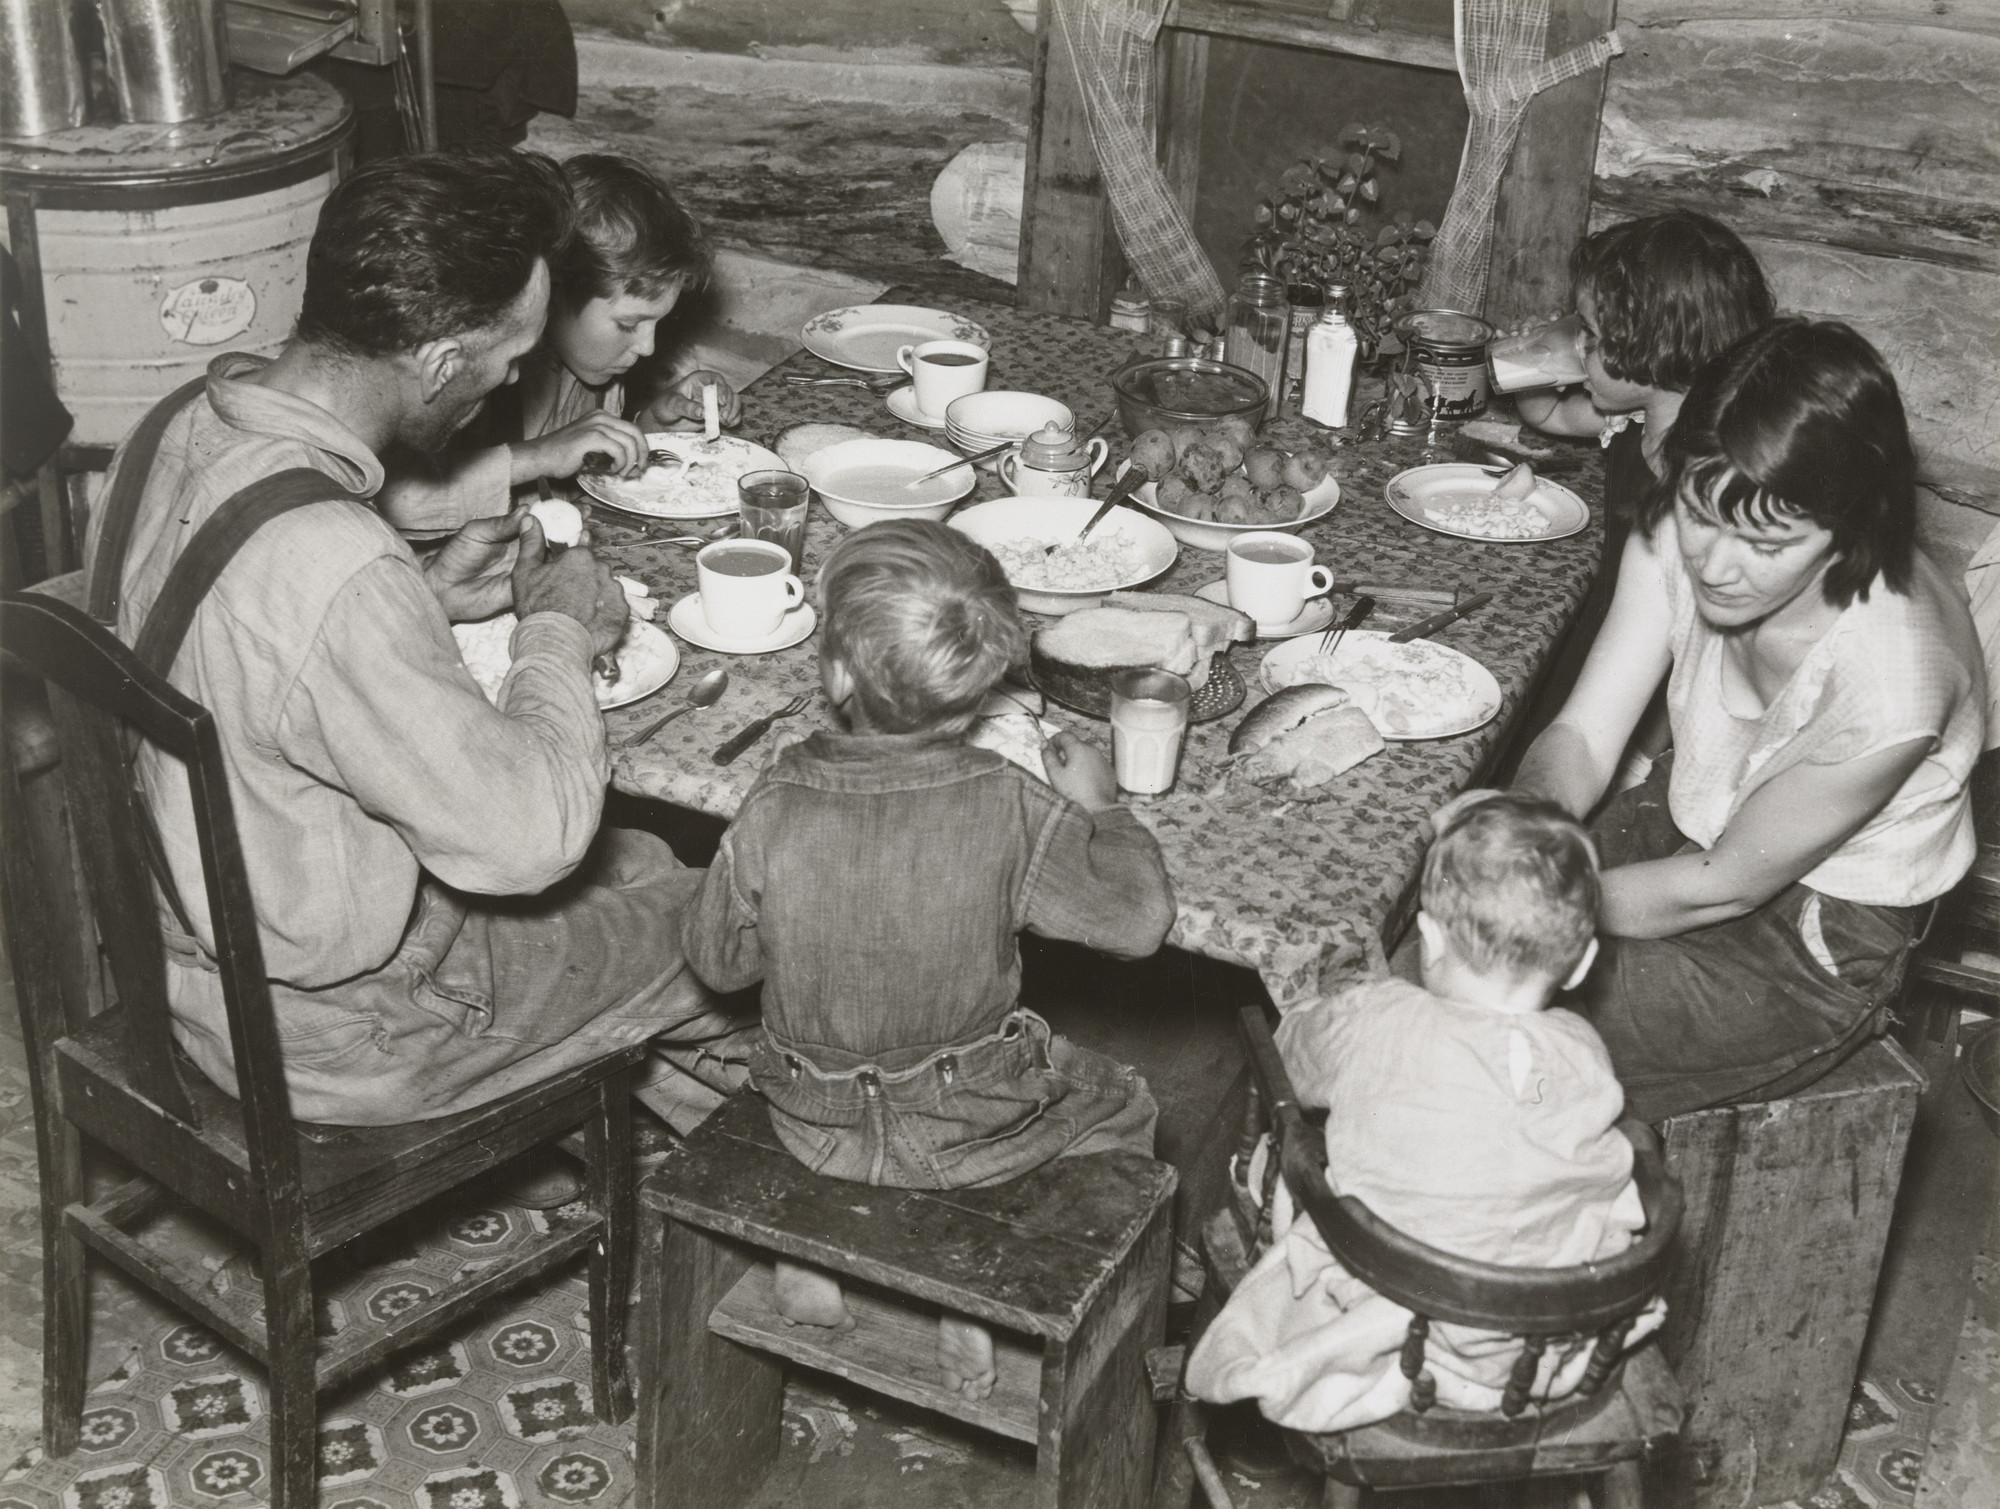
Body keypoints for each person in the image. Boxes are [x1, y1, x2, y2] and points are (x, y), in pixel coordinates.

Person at [84, 150, 748, 1136]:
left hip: (181, 952)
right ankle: (823, 1186)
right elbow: (532, 844)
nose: (515, 381)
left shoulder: (178, 424)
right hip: (338, 1034)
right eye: (509, 362)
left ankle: (703, 1175)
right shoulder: (337, 557)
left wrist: (426, 600)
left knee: (646, 863)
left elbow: (242, 654)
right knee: (758, 915)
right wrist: (556, 626)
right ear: (442, 364)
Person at [678, 519, 1176, 1398]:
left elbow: (718, 966)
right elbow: (1139, 926)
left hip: (811, 1114)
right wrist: (1104, 810)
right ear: (986, 686)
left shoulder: (776, 795)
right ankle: (971, 1281)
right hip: (970, 1119)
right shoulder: (1010, 801)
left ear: (834, 674)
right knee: (1127, 1106)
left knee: (710, 1056)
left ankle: (813, 1242)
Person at [1513, 319, 1987, 1121]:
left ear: (1850, 529)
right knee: (1441, 949)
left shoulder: (1895, 676)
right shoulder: (1688, 522)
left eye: (1769, 543)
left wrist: (1531, 907)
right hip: (1696, 815)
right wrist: (1514, 831)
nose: (1716, 565)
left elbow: (1724, 885)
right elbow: (1586, 736)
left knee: (1516, 1032)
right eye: (1703, 516)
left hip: (1818, 927)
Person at [1185, 792, 1656, 1432]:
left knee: (1292, 1145)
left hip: (1411, 1309)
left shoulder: (1385, 1017)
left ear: (1428, 939)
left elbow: (1291, 1059)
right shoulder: (1582, 1051)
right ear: (1582, 965)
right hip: (1543, 1332)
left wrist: (1315, 1016)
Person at [1506, 212, 1775, 766]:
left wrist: (1644, 755)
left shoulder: (1706, 478)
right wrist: (1534, 364)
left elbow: (1700, 651)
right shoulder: (1633, 417)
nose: (1578, 343)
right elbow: (1552, 415)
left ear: (1651, 349)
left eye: (1592, 335)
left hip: (1656, 688)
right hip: (1612, 625)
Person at [378, 152, 742, 532]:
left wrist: (649, 429)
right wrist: (539, 456)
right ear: (555, 293)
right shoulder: (482, 370)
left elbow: (585, 465)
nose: (647, 348)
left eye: (657, 324)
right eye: (628, 324)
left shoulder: (594, 368)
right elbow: (400, 502)